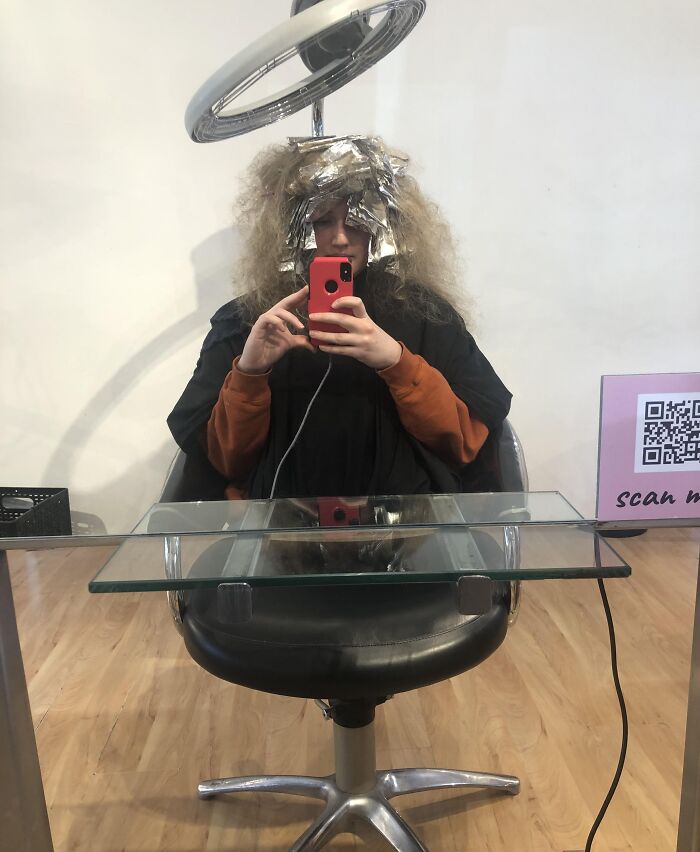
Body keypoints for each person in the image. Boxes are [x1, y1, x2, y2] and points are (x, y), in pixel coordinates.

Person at [168, 136, 512, 501]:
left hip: (407, 532)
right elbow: (223, 461)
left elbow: (466, 442)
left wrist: (397, 363)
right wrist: (250, 373)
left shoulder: (425, 315)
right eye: (321, 221)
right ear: (288, 228)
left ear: (385, 224)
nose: (340, 238)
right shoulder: (247, 321)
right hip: (277, 532)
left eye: (357, 221)